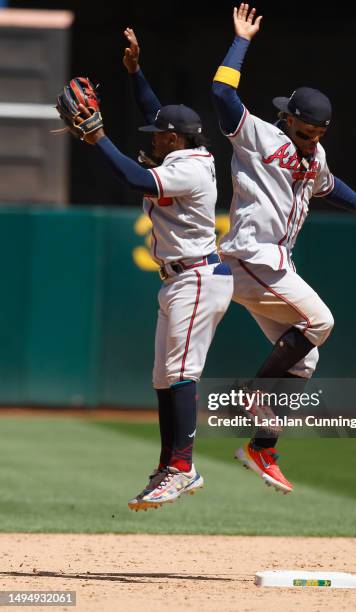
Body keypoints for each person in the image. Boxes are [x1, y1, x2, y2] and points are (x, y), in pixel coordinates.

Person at [211, 4, 356, 494]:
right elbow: (222, 93)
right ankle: (253, 394)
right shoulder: (258, 136)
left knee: (303, 361)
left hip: (272, 264)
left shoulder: (317, 155)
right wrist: (241, 40)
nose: (312, 141)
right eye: (306, 131)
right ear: (287, 118)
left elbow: (330, 187)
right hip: (252, 254)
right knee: (321, 322)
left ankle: (260, 447)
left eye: (319, 135)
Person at [79, 28, 233, 509]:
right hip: (180, 279)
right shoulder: (185, 148)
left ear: (174, 138)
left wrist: (97, 136)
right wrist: (135, 73)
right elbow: (156, 114)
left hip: (197, 277)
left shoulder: (186, 168)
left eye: (158, 135)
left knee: (181, 373)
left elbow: (130, 175)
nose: (152, 137)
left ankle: (183, 468)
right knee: (165, 378)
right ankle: (171, 465)